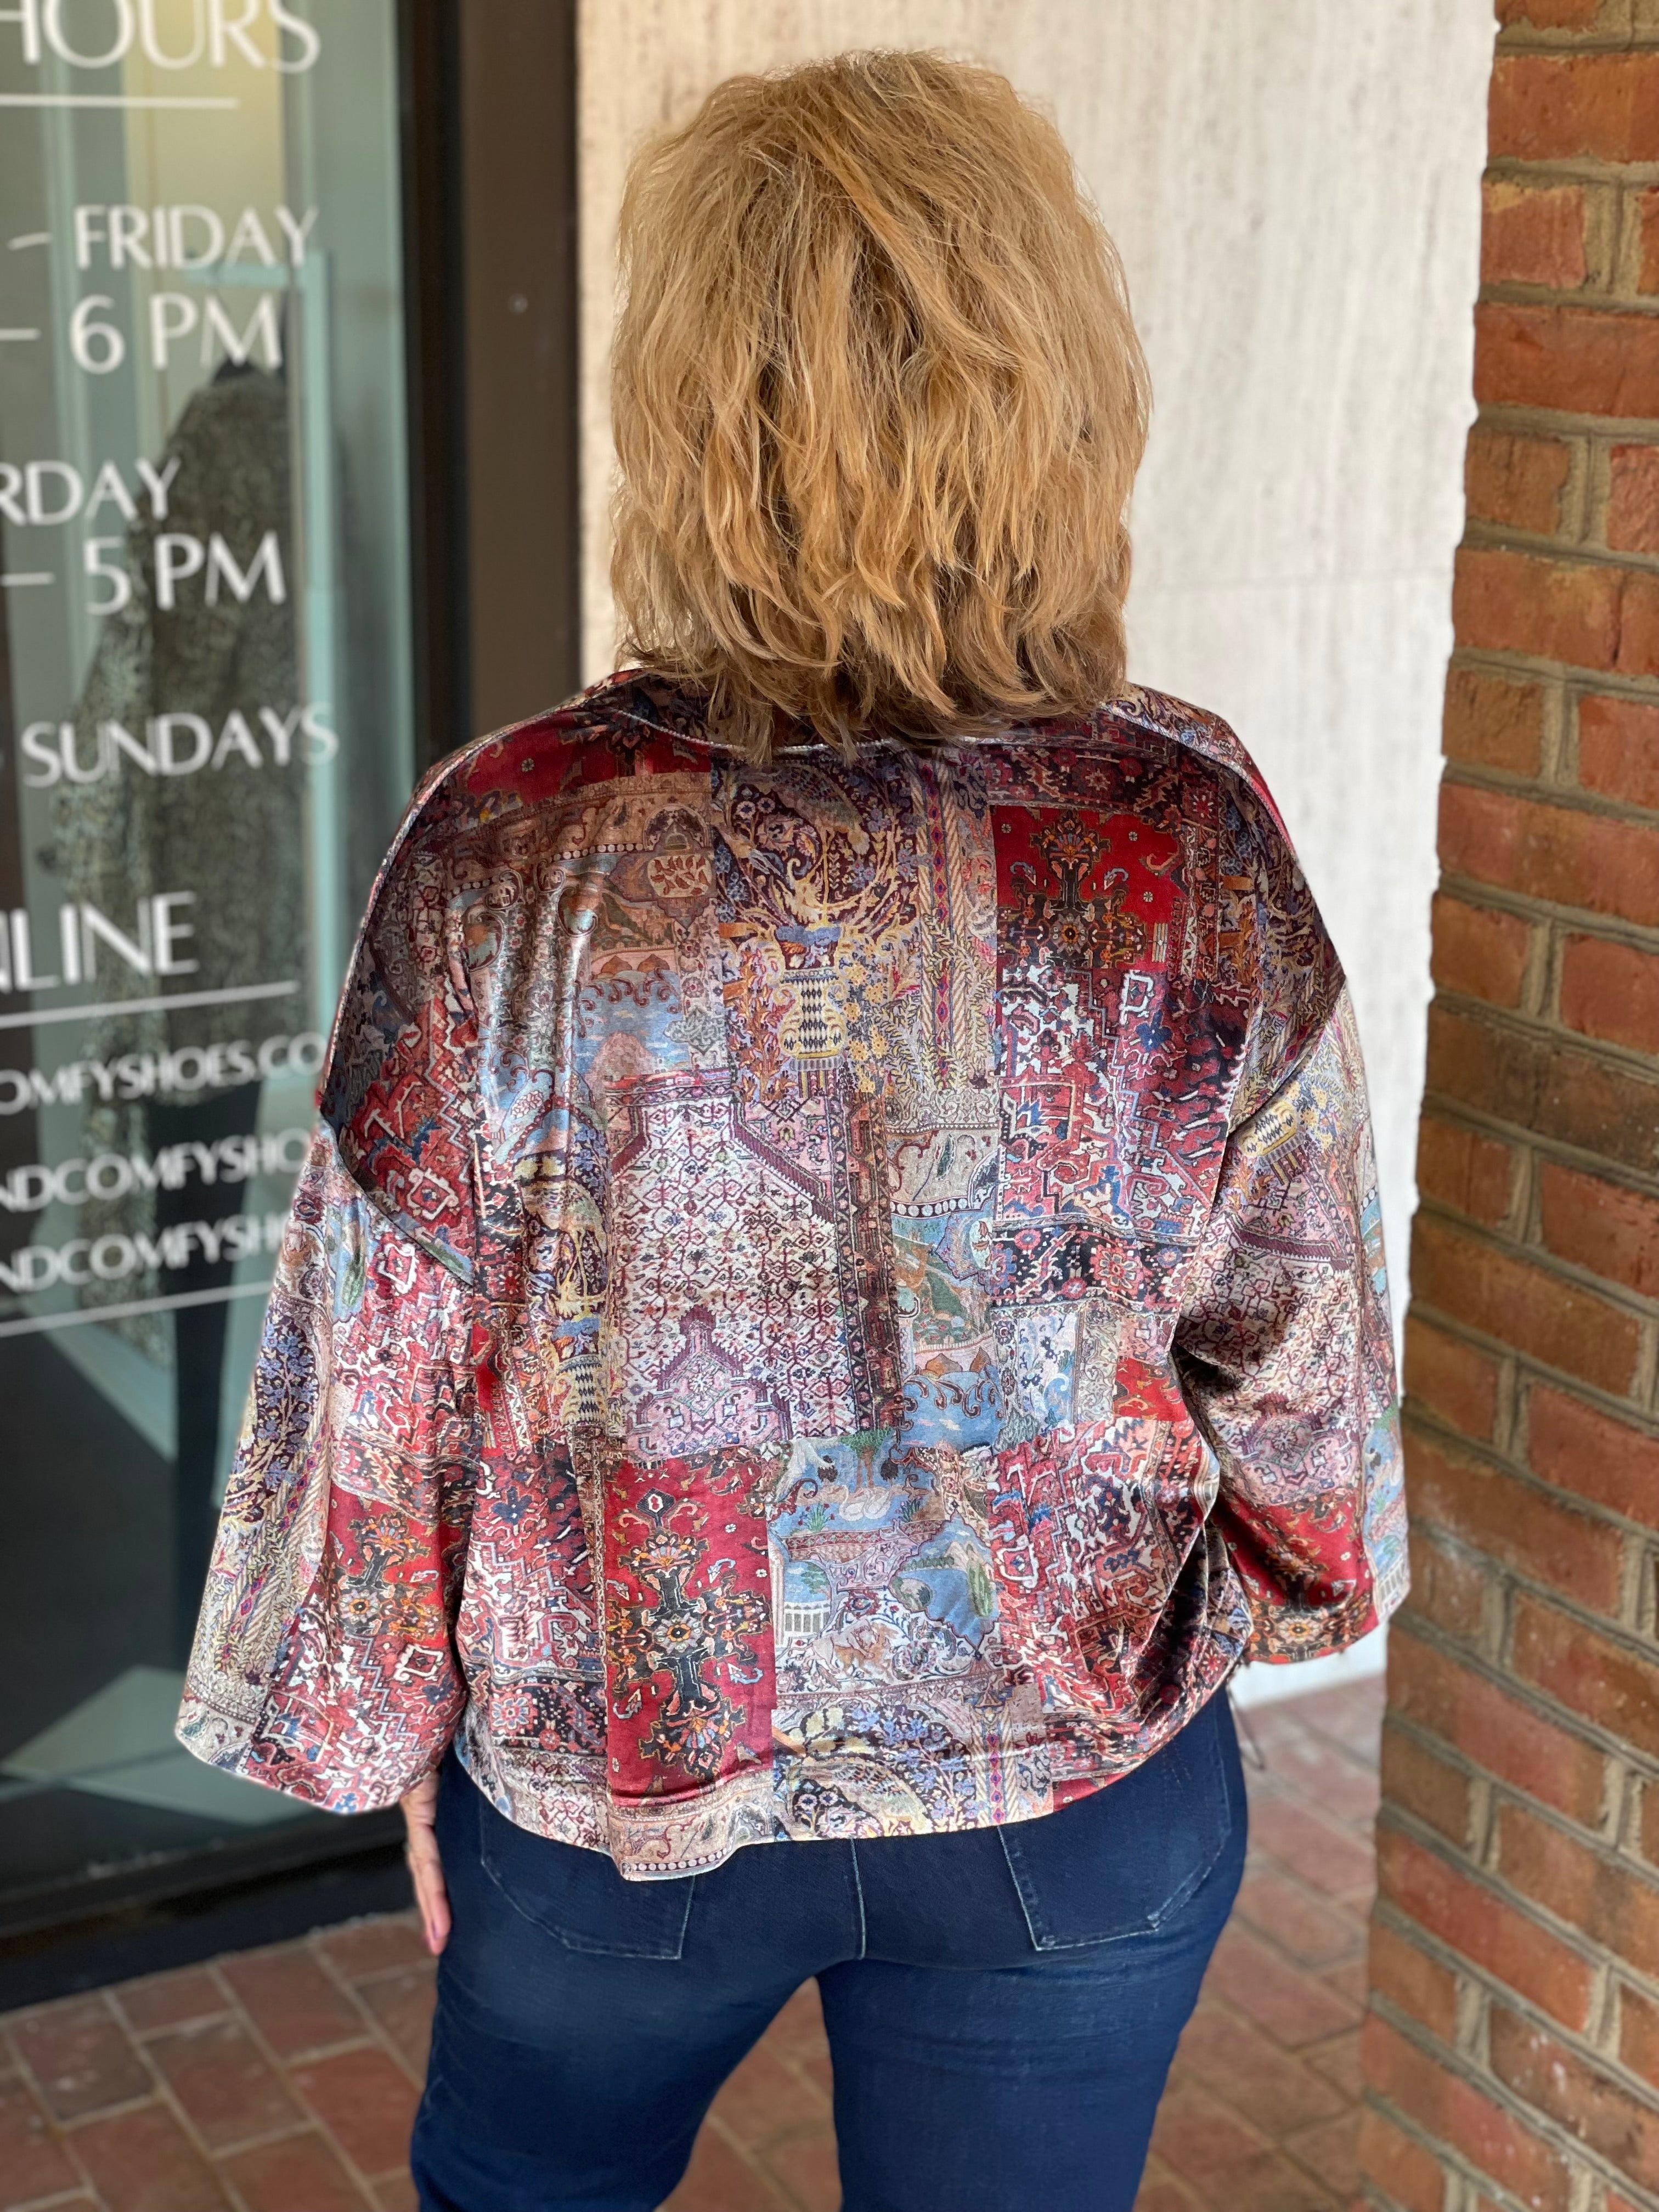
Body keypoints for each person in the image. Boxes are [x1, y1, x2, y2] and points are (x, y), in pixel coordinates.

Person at [177, 49, 1406, 2212]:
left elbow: (378, 1369)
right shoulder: (1179, 832)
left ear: (680, 415)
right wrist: (1314, 1582)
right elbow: (1292, 1327)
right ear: (1057, 398)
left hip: (617, 1804)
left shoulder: (506, 848)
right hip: (1069, 1785)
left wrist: (378, 1724)